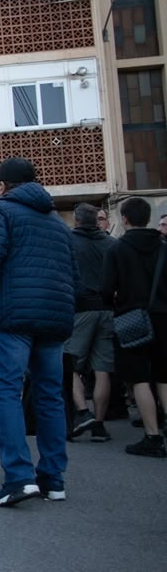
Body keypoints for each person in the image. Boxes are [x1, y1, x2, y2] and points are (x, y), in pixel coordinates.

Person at [0, 158, 77, 505]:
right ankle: (53, 479)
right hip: (53, 318)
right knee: (49, 396)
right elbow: (73, 275)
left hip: (10, 317)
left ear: (1, 185)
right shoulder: (58, 223)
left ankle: (19, 477)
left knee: (6, 393)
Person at [102, 196, 167, 458]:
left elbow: (106, 290)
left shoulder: (117, 250)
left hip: (132, 320)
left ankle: (152, 436)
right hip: (164, 317)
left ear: (125, 219)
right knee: (164, 376)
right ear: (148, 218)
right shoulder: (164, 247)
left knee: (139, 379)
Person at [66, 203, 116, 443]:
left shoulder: (68, 242)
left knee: (72, 364)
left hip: (80, 309)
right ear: (97, 220)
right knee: (102, 368)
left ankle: (82, 413)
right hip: (107, 308)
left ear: (76, 220)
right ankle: (99, 424)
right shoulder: (111, 243)